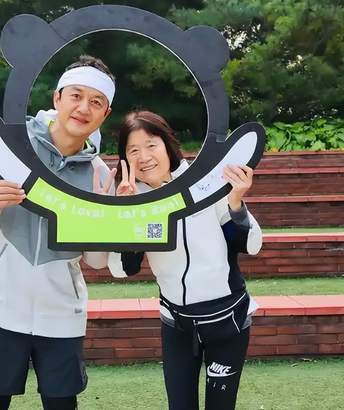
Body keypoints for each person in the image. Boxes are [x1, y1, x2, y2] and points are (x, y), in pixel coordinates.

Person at [0, 55, 117, 410]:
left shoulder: (100, 175)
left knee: (62, 404)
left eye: (96, 101)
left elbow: (96, 261)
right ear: (57, 98)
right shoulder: (7, 146)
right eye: (76, 95)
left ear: (105, 113)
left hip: (62, 312)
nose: (83, 108)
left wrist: (104, 220)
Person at [108, 110, 263, 410]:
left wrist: (235, 200)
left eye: (151, 145)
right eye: (133, 150)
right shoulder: (132, 198)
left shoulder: (205, 182)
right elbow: (122, 268)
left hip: (227, 320)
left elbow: (250, 244)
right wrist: (128, 216)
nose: (144, 157)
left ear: (167, 145)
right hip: (177, 323)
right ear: (125, 159)